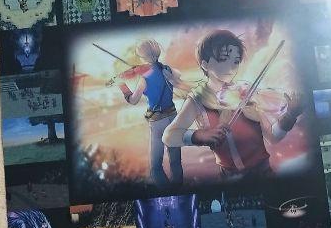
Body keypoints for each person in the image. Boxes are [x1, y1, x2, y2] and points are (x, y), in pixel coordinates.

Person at [162, 30, 302, 179]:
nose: (231, 68)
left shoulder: (244, 93)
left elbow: (273, 137)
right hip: (229, 178)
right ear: (205, 64)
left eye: (235, 61)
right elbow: (169, 136)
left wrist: (290, 115)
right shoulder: (198, 99)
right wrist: (200, 135)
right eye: (223, 59)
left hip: (264, 173)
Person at [116, 38, 183, 187]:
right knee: (175, 161)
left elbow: (133, 100)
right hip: (173, 116)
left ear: (143, 57)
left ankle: (166, 192)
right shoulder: (167, 69)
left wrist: (122, 86)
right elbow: (176, 78)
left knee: (155, 168)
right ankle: (179, 190)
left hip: (158, 121)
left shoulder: (144, 78)